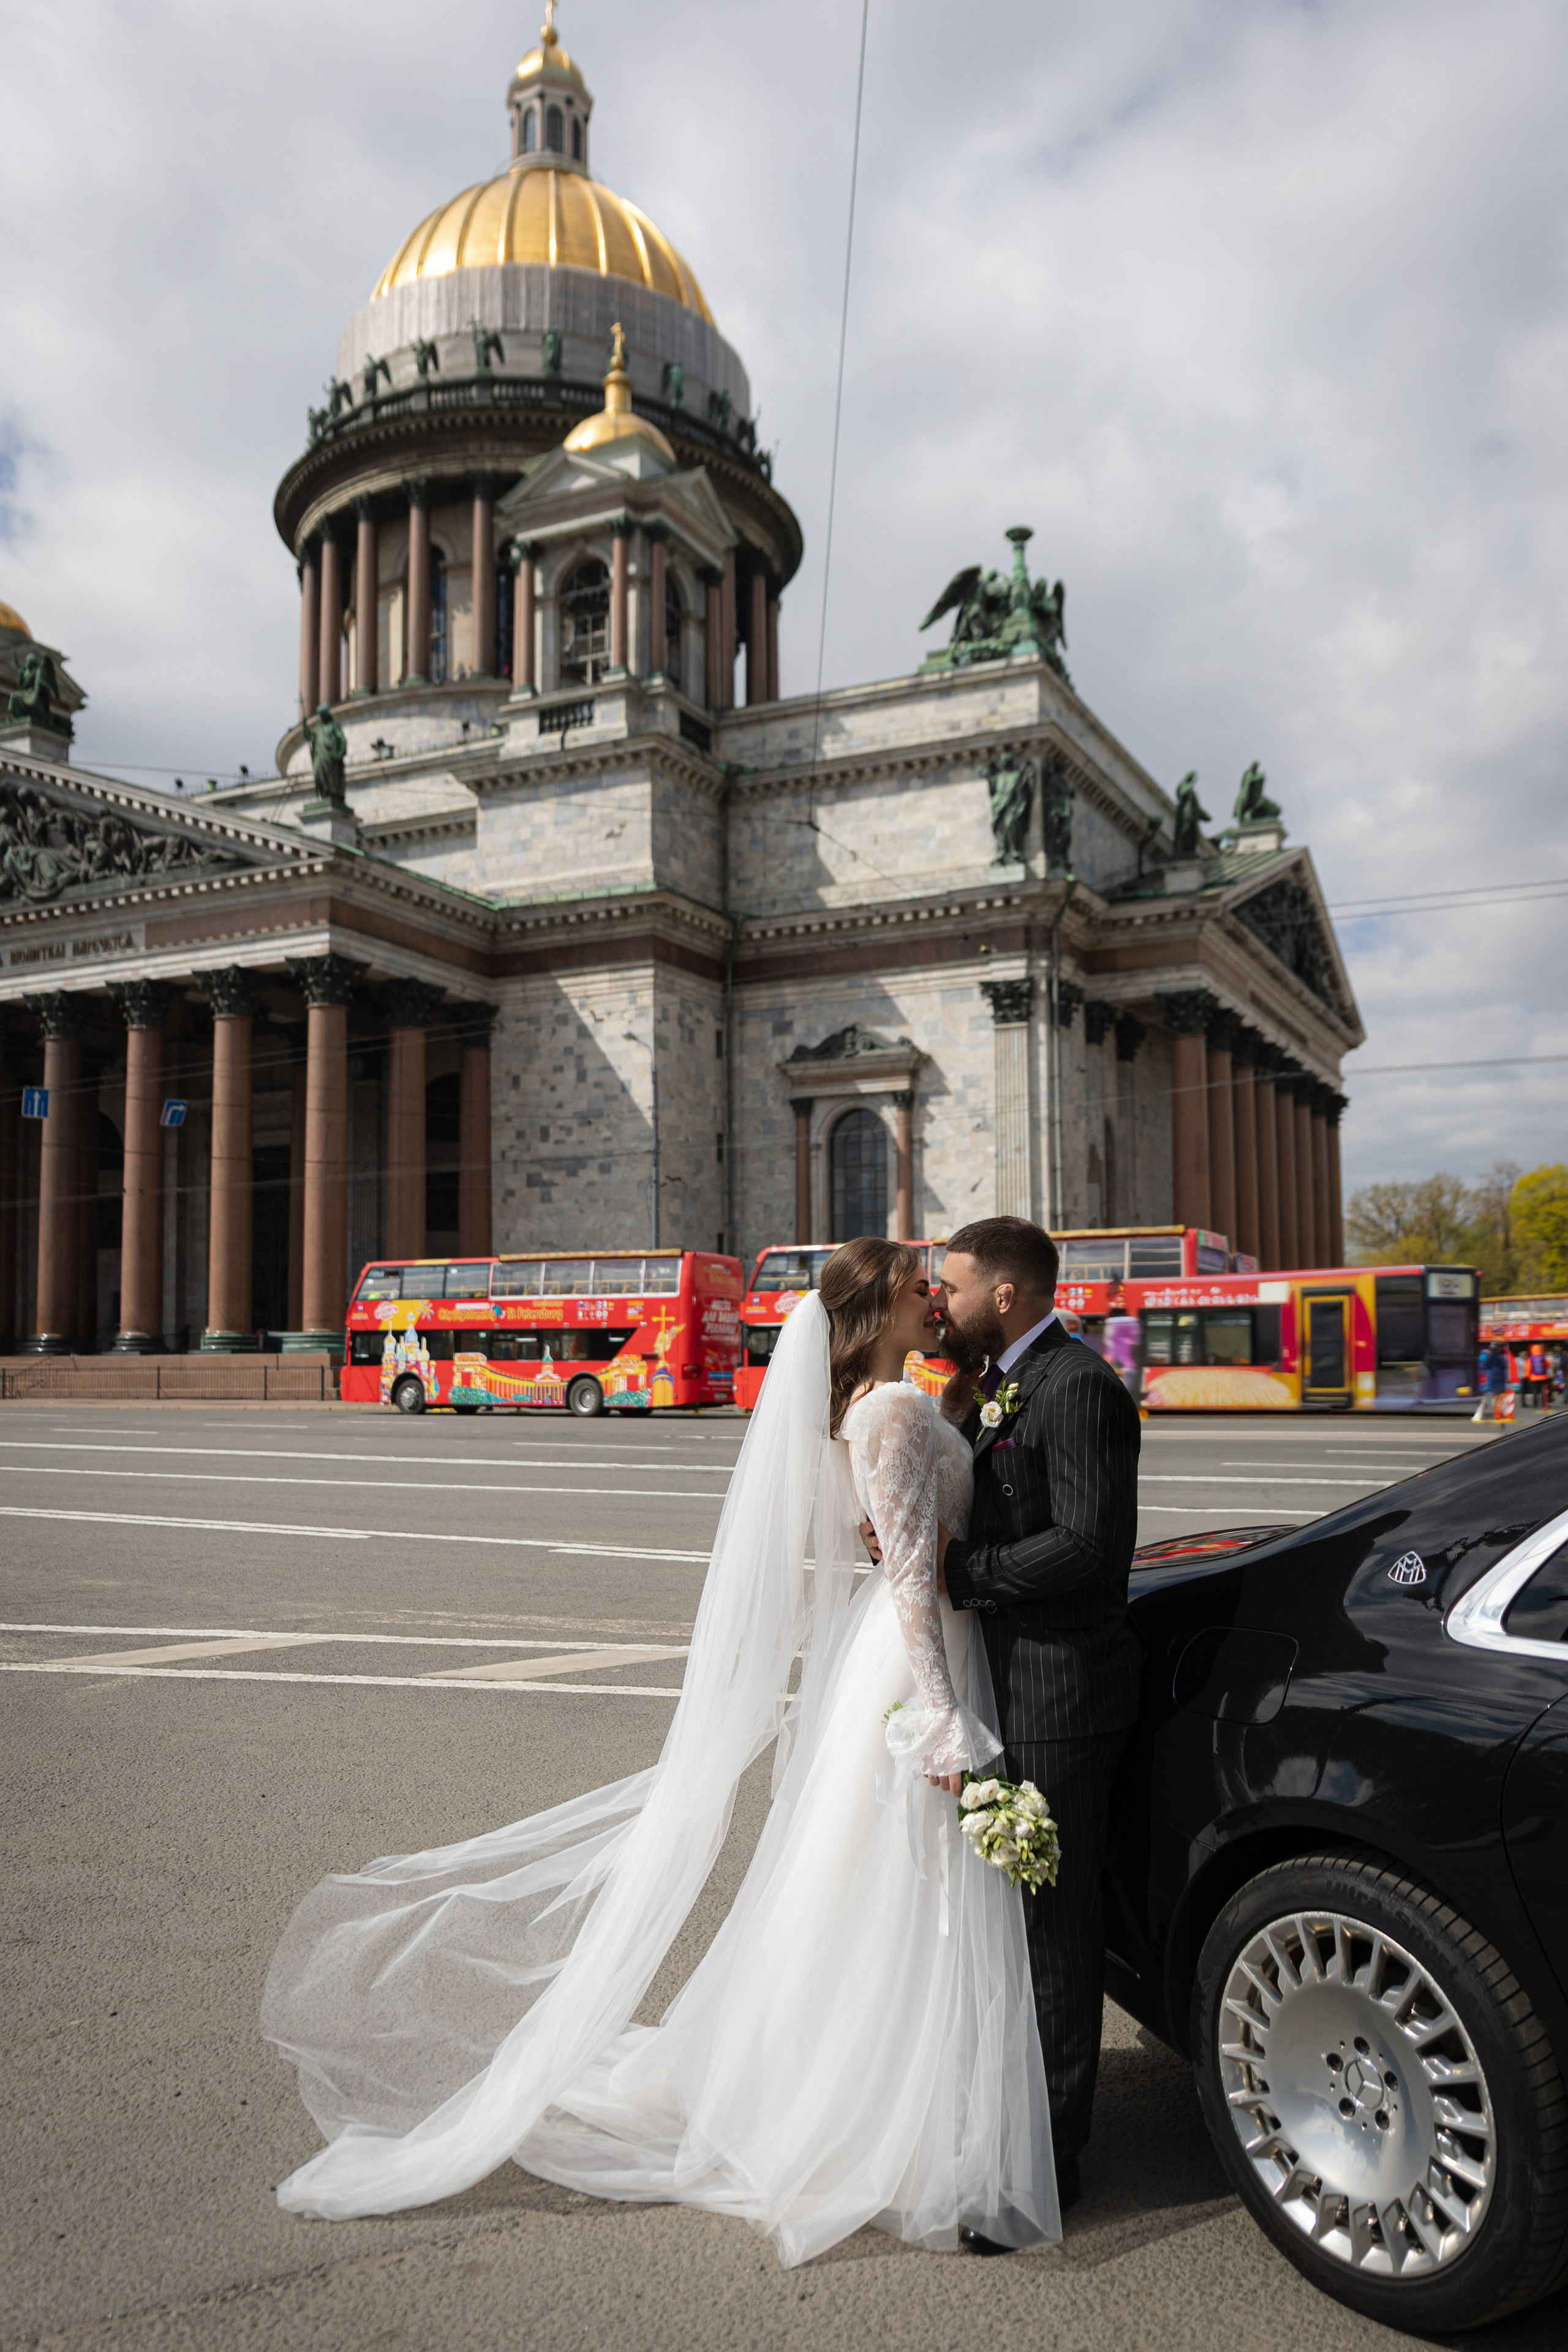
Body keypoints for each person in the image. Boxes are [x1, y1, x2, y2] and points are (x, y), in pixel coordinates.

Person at [261, 1238, 1058, 2263]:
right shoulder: (892, 1412)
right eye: (918, 1289)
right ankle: (891, 2117)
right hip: (919, 1656)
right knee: (909, 1888)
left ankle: (856, 2088)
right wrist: (943, 1716)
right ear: (874, 1313)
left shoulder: (899, 1403)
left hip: (899, 1651)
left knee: (868, 1886)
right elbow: (912, 1578)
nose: (934, 1300)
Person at [931, 1216, 1142, 2233]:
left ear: (1005, 1296)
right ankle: (1005, 2125)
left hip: (1062, 1691)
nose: (941, 1299)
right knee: (1011, 1930)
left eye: (954, 1284)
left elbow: (1089, 1548)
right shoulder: (988, 1383)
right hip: (1003, 1686)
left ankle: (1048, 2170)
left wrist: (963, 1577)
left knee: (1057, 1939)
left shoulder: (1078, 1386)